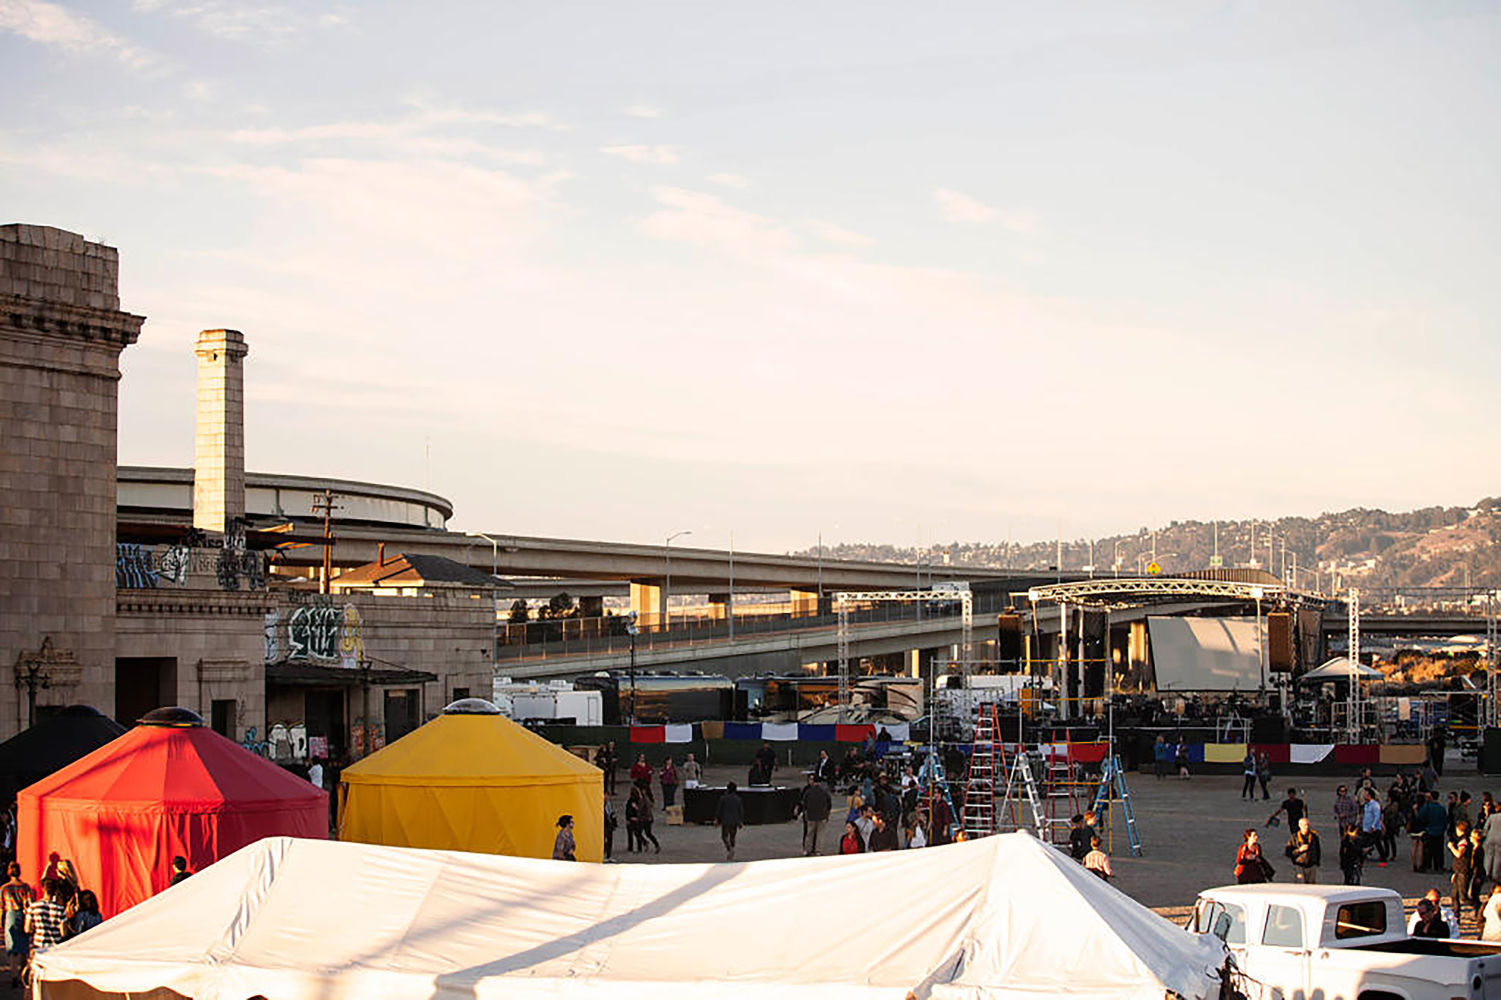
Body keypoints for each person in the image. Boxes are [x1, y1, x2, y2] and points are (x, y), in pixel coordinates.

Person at [2, 862, 33, 988]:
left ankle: (13, 975)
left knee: (12, 948)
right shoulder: (25, 887)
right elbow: (29, 903)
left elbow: (1, 907)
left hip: (10, 915)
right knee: (23, 948)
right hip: (23, 914)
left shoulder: (4, 888)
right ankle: (22, 974)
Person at [24, 878, 67, 960]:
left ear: (43, 889)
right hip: (55, 946)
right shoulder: (60, 909)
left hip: (39, 945)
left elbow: (27, 929)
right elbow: (63, 933)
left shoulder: (33, 907)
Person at [797, 775, 832, 857]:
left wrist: (805, 813)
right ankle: (818, 850)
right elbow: (829, 804)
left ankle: (807, 850)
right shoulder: (824, 792)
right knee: (820, 834)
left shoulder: (808, 792)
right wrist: (827, 814)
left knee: (809, 833)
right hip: (822, 815)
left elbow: (804, 803)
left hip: (811, 815)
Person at [1448, 821, 1473, 923]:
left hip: (1463, 871)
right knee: (1455, 895)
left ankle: (1477, 906)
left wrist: (1451, 848)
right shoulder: (1462, 840)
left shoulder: (1464, 841)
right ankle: (1456, 915)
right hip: (1458, 870)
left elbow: (1459, 854)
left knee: (1463, 896)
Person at [1419, 790, 1450, 874]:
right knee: (1439, 850)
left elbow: (1421, 817)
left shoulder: (1427, 807)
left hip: (1430, 830)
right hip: (1440, 831)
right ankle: (1438, 866)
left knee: (1428, 850)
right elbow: (1445, 819)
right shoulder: (1441, 808)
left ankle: (1427, 865)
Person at [1285, 817, 1322, 883]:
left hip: (1312, 865)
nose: (1306, 827)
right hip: (1299, 865)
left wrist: (1317, 862)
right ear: (1300, 826)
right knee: (1300, 885)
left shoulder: (1313, 836)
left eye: (1307, 825)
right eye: (1304, 825)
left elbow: (1318, 849)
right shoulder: (1294, 838)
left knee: (1312, 885)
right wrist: (1299, 850)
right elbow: (1288, 853)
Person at [716, 780, 744, 861]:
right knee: (732, 836)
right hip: (735, 820)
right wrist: (740, 821)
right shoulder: (738, 799)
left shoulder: (723, 798)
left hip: (725, 820)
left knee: (724, 836)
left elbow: (719, 809)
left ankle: (729, 849)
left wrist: (717, 819)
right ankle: (732, 848)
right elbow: (740, 811)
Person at [1360, 788, 1387, 864]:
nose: (1364, 795)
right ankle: (1364, 854)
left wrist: (1373, 826)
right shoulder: (1366, 805)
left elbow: (1377, 816)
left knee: (1377, 843)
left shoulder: (1375, 805)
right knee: (1365, 842)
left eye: (1365, 794)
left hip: (1373, 828)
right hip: (1366, 827)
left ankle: (1383, 857)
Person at [603, 796, 617, 861]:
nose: (606, 797)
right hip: (604, 825)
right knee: (604, 840)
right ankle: (603, 855)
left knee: (609, 840)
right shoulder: (601, 804)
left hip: (610, 825)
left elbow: (611, 813)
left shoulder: (609, 804)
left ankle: (609, 855)